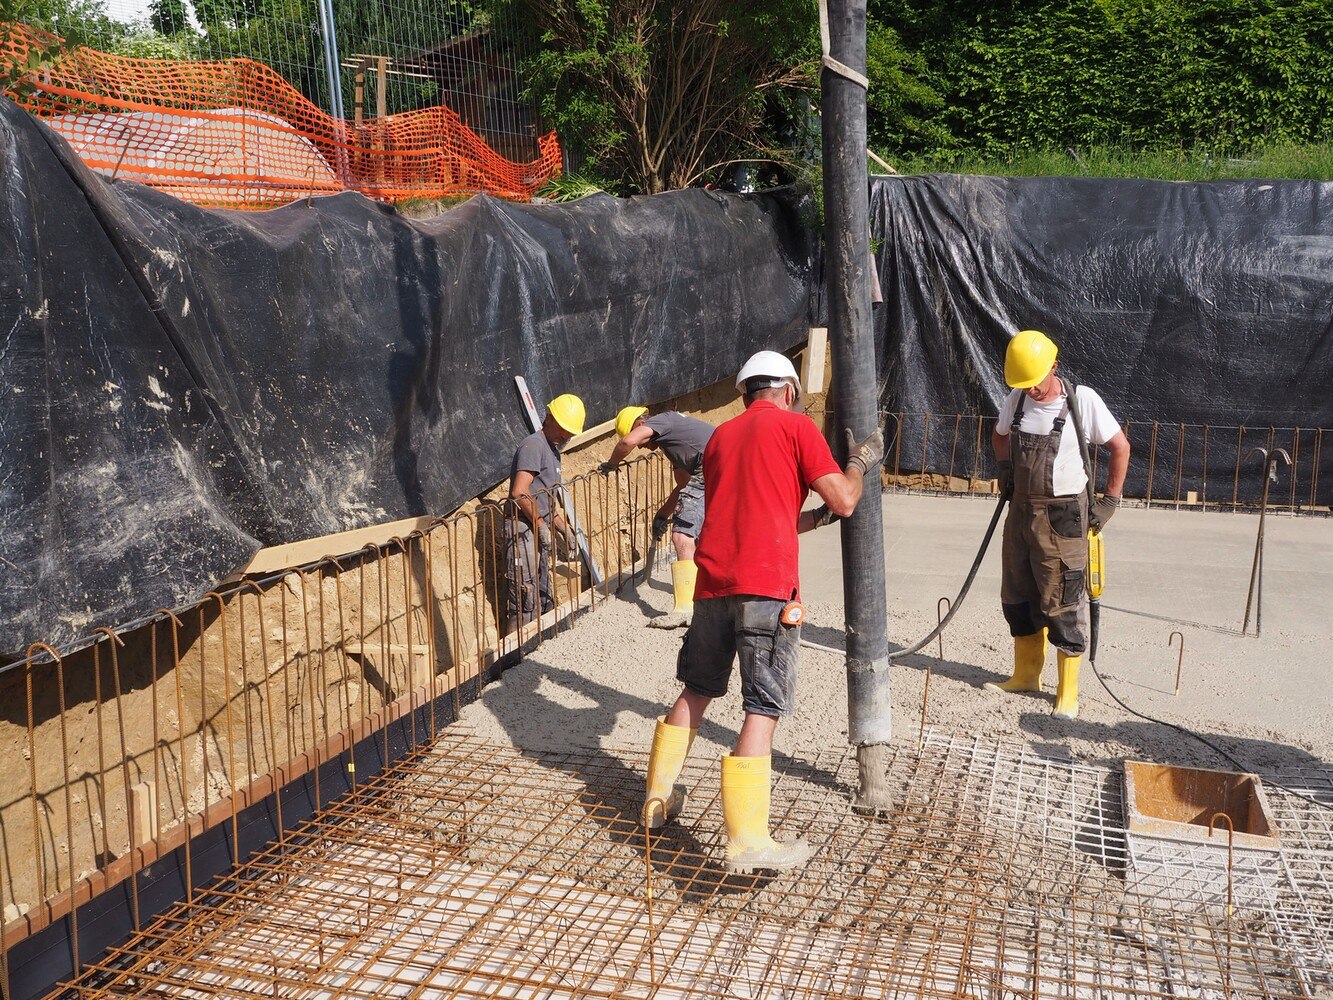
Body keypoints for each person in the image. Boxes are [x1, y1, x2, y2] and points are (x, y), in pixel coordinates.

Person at [639, 351, 883, 874]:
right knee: (762, 706)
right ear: (789, 391)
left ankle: (656, 802)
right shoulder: (796, 429)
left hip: (711, 585)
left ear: (746, 392)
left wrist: (809, 521)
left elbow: (753, 513)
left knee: (696, 690)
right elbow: (844, 499)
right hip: (767, 590)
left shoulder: (721, 438)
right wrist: (860, 463)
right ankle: (748, 839)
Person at [986, 330, 1130, 719]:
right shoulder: (1015, 399)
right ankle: (1026, 675)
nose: (1030, 389)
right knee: (1018, 593)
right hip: (1020, 512)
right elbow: (999, 437)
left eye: (1035, 380)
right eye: (1022, 383)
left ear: (1054, 365)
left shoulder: (1082, 402)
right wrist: (1005, 470)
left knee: (1063, 602)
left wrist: (1110, 501)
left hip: (1063, 516)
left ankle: (1068, 694)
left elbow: (1120, 447)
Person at [604, 405, 715, 628]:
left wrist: (612, 464)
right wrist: (663, 514)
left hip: (711, 466)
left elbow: (627, 443)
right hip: (723, 467)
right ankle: (712, 596)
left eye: (642, 441)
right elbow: (684, 486)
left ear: (641, 424)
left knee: (682, 537)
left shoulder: (664, 420)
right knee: (707, 534)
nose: (643, 448)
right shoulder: (675, 444)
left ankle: (686, 609)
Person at [506, 393, 585, 630]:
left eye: (570, 431)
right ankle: (516, 658)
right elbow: (519, 492)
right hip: (522, 526)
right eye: (562, 429)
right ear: (548, 417)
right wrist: (540, 524)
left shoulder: (552, 451)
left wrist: (564, 529)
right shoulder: (534, 445)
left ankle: (542, 643)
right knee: (524, 594)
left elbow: (547, 501)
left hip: (536, 524)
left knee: (542, 588)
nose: (565, 435)